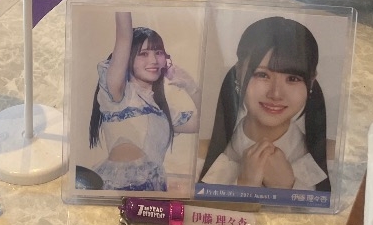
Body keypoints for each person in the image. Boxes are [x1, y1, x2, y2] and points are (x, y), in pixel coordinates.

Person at [198, 16, 331, 192]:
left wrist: (285, 189)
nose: (275, 94)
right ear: (239, 73)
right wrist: (245, 186)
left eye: (292, 78)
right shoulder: (198, 157)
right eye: (262, 75)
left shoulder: (333, 159)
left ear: (311, 82)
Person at [88, 11, 201, 191]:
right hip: (120, 191)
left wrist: (190, 86)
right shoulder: (119, 94)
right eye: (143, 54)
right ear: (128, 58)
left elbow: (206, 124)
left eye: (158, 53)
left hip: (154, 191)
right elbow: (124, 36)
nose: (153, 60)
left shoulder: (163, 111)